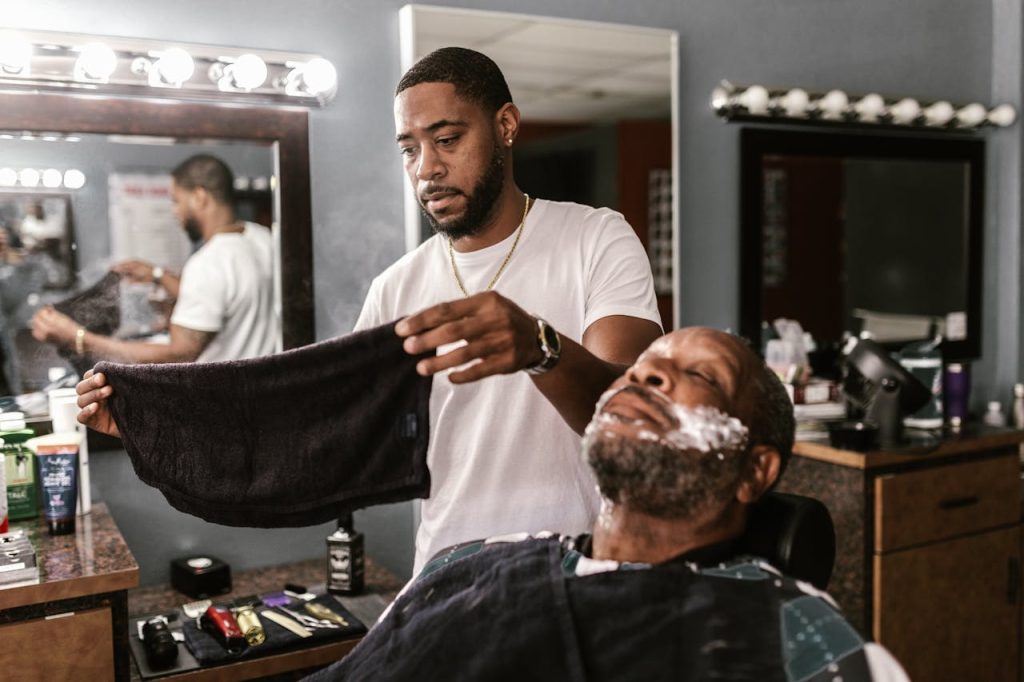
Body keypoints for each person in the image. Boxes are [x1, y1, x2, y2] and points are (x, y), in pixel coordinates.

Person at [77, 47, 663, 573]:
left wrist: (540, 348)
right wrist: (146, 420)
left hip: (583, 567)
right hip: (451, 572)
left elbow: (629, 423)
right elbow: (316, 440)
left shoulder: (595, 238)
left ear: (505, 126)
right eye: (410, 148)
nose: (426, 168)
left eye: (448, 139)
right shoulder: (396, 288)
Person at [308, 327, 909, 682]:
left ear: (754, 472)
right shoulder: (461, 566)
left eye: (699, 374)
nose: (646, 377)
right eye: (641, 368)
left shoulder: (793, 632)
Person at [31, 154, 277, 364]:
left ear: (200, 197)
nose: (174, 211)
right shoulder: (261, 238)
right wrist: (157, 275)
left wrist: (77, 338)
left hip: (227, 405)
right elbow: (223, 295)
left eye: (176, 201)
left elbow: (179, 354)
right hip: (262, 390)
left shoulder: (209, 262)